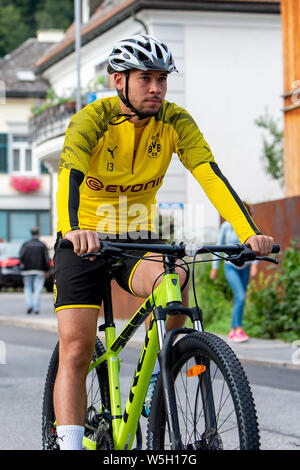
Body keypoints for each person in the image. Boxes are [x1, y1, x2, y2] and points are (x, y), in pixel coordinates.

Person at [53, 34, 274, 449]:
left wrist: (249, 232)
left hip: (138, 237)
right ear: (119, 81)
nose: (156, 88)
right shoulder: (91, 120)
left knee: (174, 284)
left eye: (162, 79)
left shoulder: (175, 121)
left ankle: (164, 372)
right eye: (146, 79)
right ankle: (68, 443)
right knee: (78, 348)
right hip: (84, 239)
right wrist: (71, 229)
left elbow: (209, 172)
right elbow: (71, 175)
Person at [210, 203, 258, 343]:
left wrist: (254, 265)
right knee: (241, 296)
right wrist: (215, 267)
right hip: (230, 266)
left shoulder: (250, 226)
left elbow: (255, 247)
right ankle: (237, 329)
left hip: (246, 267)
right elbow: (219, 247)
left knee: (239, 299)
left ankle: (234, 329)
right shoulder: (227, 226)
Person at [19, 227, 50, 314]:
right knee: (38, 289)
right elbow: (46, 259)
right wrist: (48, 270)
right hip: (39, 270)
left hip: (27, 270)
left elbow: (21, 257)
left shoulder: (25, 244)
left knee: (27, 288)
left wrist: (21, 267)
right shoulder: (42, 245)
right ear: (38, 233)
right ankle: (36, 308)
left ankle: (30, 305)